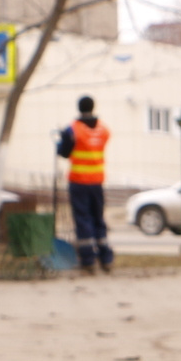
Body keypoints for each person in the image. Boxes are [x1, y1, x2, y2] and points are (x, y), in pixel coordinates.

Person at [56, 95, 113, 273]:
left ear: (78, 108)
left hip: (79, 181)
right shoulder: (103, 129)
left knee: (83, 219)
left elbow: (64, 152)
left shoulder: (72, 130)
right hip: (97, 181)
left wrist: (61, 140)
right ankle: (106, 258)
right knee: (98, 219)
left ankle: (88, 261)